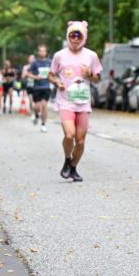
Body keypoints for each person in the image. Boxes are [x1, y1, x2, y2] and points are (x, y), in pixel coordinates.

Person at [48, 21, 102, 182]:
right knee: (69, 134)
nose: (76, 38)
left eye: (79, 35)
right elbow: (50, 74)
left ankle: (73, 167)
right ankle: (67, 158)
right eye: (73, 35)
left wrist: (90, 74)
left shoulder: (91, 55)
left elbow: (98, 79)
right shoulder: (59, 55)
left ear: (84, 37)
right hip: (65, 101)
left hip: (83, 102)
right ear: (68, 36)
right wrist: (57, 82)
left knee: (80, 140)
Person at [27, 46, 52, 132]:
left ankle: (43, 125)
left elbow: (54, 73)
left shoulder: (50, 62)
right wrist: (35, 77)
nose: (42, 53)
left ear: (46, 52)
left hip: (46, 87)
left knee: (44, 106)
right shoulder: (34, 63)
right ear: (38, 52)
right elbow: (28, 74)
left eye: (43, 51)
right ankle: (36, 115)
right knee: (37, 107)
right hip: (37, 88)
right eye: (40, 51)